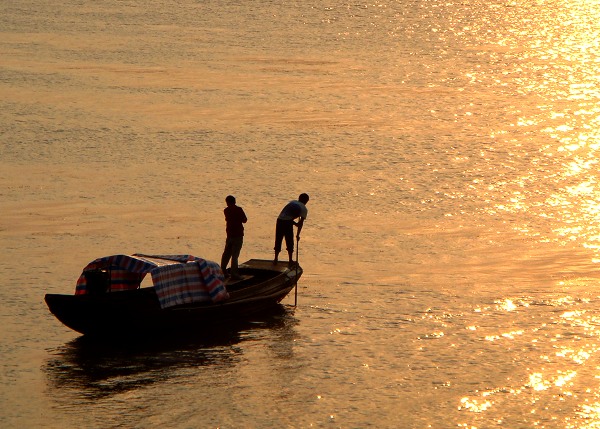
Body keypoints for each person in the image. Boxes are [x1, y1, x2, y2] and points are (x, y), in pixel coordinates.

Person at [274, 193, 309, 265]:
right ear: (306, 201)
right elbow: (301, 223)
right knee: (289, 240)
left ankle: (275, 259)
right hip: (287, 222)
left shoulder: (292, 202)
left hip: (279, 220)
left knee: (278, 239)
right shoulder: (304, 209)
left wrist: (294, 223)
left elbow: (285, 217)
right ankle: (290, 260)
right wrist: (298, 235)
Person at [220, 195, 248, 279]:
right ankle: (234, 274)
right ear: (235, 201)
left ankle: (223, 271)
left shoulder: (226, 210)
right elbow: (245, 220)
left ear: (227, 203)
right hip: (238, 235)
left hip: (229, 235)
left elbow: (227, 219)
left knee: (226, 254)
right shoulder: (239, 210)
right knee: (235, 255)